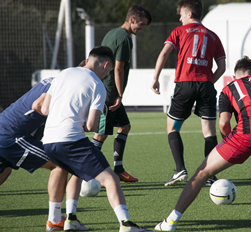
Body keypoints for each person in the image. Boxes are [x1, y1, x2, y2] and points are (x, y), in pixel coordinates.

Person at [154, 56, 251, 231]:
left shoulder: (229, 89)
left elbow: (223, 123)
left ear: (235, 77)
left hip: (245, 136)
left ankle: (171, 221)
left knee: (202, 172)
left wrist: (230, 141)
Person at [41, 46, 153, 232]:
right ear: (106, 64)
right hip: (71, 140)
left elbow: (45, 110)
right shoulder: (97, 85)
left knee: (75, 172)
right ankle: (126, 224)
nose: (107, 74)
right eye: (108, 71)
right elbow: (92, 126)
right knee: (110, 179)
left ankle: (69, 219)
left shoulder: (64, 73)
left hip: (49, 142)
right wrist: (79, 123)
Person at [151, 0, 226, 187]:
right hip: (206, 86)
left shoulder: (179, 31)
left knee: (172, 128)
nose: (179, 18)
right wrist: (208, 81)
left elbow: (164, 54)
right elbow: (222, 66)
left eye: (181, 14)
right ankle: (210, 174)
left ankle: (180, 170)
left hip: (185, 84)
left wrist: (155, 78)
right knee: (208, 132)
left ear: (189, 14)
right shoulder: (213, 36)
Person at [0, 77, 88, 231]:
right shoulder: (64, 85)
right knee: (61, 163)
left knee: (3, 174)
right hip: (12, 136)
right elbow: (39, 106)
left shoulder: (58, 80)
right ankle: (54, 220)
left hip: (5, 129)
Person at [91, 5, 152, 183]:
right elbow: (118, 68)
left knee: (124, 126)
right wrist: (119, 95)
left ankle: (118, 169)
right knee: (100, 134)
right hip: (109, 93)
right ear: (131, 19)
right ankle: (83, 171)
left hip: (109, 90)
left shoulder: (111, 33)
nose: (142, 28)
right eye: (141, 24)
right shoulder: (125, 39)